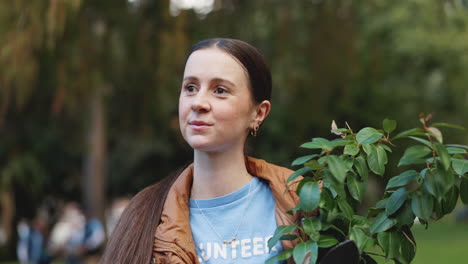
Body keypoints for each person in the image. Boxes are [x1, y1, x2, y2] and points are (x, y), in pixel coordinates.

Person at [100, 38, 306, 264]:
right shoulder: (144, 214)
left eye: (220, 90)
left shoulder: (302, 202)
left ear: (258, 113)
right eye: (190, 88)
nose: (198, 102)